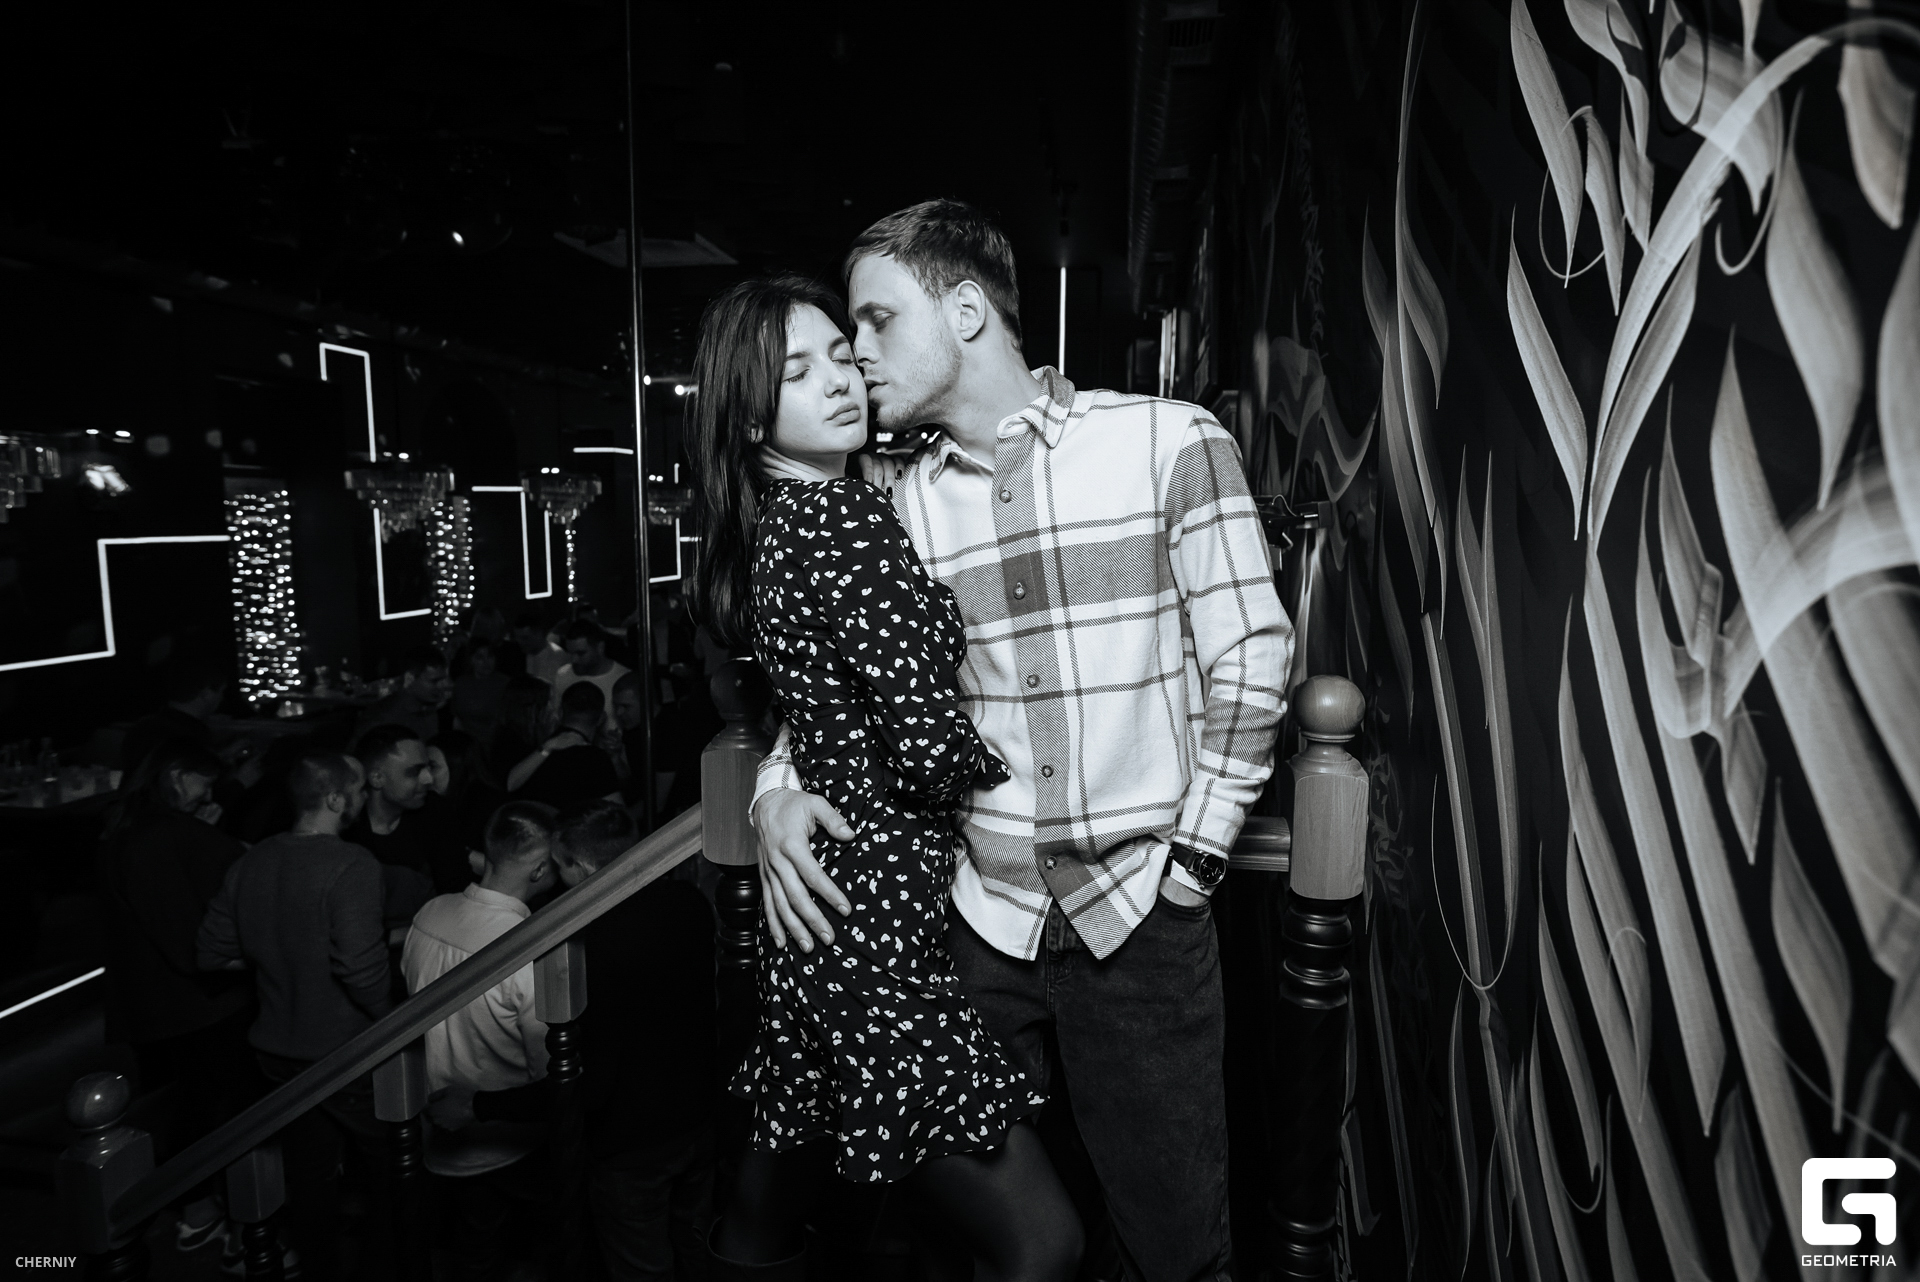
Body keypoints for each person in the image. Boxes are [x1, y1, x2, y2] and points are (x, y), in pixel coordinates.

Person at [748, 201, 1294, 1282]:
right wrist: (772, 790)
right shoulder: (893, 508)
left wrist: (1193, 863)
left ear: (964, 311)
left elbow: (1252, 656)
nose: (856, 354)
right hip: (975, 921)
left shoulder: (1167, 441)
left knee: (1176, 1250)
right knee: (988, 1238)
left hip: (1139, 919)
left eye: (874, 321)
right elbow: (834, 686)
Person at [685, 273, 1080, 1282]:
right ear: (749, 415)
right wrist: (1018, 768)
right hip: (874, 929)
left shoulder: (786, 521)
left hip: (828, 910)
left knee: (766, 1203)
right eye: (797, 372)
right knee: (1044, 1246)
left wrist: (787, 788)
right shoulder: (843, 521)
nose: (839, 381)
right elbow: (925, 739)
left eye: (840, 355)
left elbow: (830, 711)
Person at [196, 753, 394, 1279]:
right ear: (334, 799)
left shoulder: (252, 860)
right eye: (357, 790)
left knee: (311, 1177)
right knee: (394, 1167)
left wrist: (277, 954)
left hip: (276, 1055)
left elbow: (211, 952)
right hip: (343, 1053)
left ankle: (320, 1269)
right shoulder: (352, 864)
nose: (362, 798)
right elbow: (360, 967)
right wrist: (394, 1018)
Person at [98, 739, 256, 1254]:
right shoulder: (158, 836)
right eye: (203, 784)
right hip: (193, 1005)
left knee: (188, 1108)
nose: (208, 795)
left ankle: (201, 1211)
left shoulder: (131, 828)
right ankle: (205, 1216)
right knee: (209, 1113)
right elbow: (188, 935)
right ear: (175, 776)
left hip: (157, 1004)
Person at [549, 801, 718, 1282]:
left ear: (582, 868)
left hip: (631, 1142)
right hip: (697, 1114)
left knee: (642, 1267)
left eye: (560, 867)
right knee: (697, 1245)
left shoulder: (592, 939)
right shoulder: (688, 902)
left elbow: (599, 1068)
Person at [401, 801, 560, 1278]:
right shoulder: (532, 948)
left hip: (436, 1128)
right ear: (539, 870)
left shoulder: (429, 913)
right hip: (509, 1147)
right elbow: (550, 1074)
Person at [348, 723, 460, 911]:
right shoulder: (349, 827)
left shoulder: (435, 811)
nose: (428, 779)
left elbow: (455, 890)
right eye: (414, 771)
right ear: (377, 778)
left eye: (429, 768)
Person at [507, 680, 623, 811]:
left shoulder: (535, 749)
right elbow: (617, 812)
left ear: (560, 712)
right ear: (601, 718)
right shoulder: (595, 758)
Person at [354, 646, 453, 744]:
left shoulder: (430, 709)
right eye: (434, 681)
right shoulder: (384, 717)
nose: (442, 686)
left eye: (443, 680)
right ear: (409, 678)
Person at [550, 618, 631, 717]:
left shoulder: (624, 679)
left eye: (581, 653)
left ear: (600, 648)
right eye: (570, 653)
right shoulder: (562, 675)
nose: (574, 660)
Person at [450, 640, 510, 747]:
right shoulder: (461, 683)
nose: (486, 662)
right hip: (468, 744)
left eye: (490, 656)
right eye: (480, 657)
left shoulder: (505, 683)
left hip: (496, 744)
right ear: (471, 660)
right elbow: (457, 718)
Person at [509, 610, 567, 686]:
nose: (520, 642)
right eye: (517, 638)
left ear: (539, 633)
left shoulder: (558, 656)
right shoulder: (516, 655)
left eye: (525, 638)